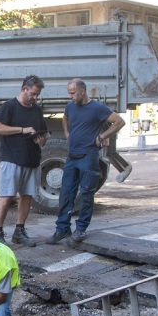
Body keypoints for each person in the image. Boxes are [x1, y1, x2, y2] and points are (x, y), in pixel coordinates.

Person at [46, 78, 126, 245]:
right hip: (72, 157)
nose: (71, 97)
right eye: (69, 93)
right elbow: (65, 118)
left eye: (73, 93)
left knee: (86, 194)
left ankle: (80, 229)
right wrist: (67, 133)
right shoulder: (70, 106)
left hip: (88, 157)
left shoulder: (97, 108)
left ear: (82, 91)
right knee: (66, 193)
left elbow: (119, 121)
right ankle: (62, 229)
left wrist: (102, 136)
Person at [0, 74, 48, 245]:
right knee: (7, 196)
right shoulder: (9, 106)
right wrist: (22, 130)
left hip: (31, 159)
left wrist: (41, 139)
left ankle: (19, 231)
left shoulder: (37, 110)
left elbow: (43, 133)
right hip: (12, 159)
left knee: (27, 196)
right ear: (24, 89)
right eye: (33, 94)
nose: (35, 98)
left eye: (37, 95)